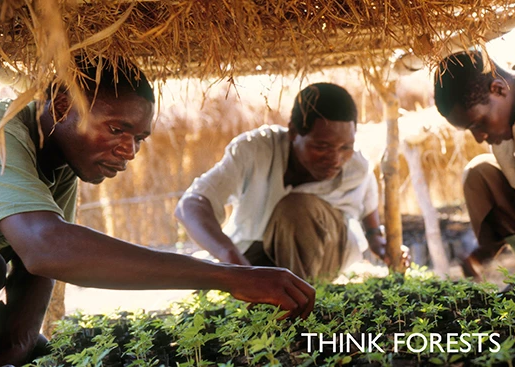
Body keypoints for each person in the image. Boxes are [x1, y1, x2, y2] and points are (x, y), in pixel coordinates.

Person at [0, 57, 315, 367]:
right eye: (116, 129)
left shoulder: (58, 161)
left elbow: (34, 270)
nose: (129, 151)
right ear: (64, 106)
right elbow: (47, 249)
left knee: (34, 346)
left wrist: (16, 347)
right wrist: (228, 276)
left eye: (139, 138)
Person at [175, 82, 408, 281]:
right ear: (294, 132)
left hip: (326, 258)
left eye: (345, 147)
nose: (336, 159)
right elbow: (191, 205)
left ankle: (295, 307)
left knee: (296, 208)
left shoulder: (357, 166)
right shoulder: (255, 150)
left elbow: (369, 215)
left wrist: (381, 244)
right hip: (255, 258)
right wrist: (232, 259)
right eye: (321, 147)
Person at [434, 50, 515, 282]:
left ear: (498, 89)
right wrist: (478, 257)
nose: (479, 137)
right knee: (480, 174)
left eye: (478, 124)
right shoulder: (507, 125)